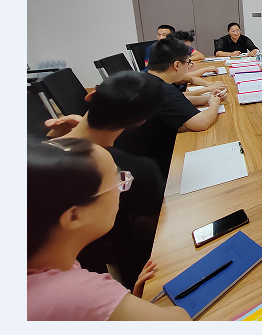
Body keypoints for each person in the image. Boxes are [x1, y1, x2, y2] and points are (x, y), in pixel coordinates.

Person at [27, 137, 191, 320]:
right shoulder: (79, 294)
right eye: (116, 180)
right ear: (74, 216)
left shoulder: (45, 262)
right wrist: (112, 303)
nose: (121, 187)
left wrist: (124, 306)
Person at [43, 71, 168, 288]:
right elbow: (154, 226)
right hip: (109, 261)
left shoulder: (37, 151)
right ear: (140, 121)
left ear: (90, 96)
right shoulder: (138, 170)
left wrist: (54, 136)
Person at [114, 37, 223, 178]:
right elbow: (201, 123)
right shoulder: (162, 89)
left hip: (128, 156)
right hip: (151, 165)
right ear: (177, 65)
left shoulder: (145, 79)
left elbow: (176, 101)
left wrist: (207, 98)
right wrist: (214, 104)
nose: (188, 67)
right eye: (188, 63)